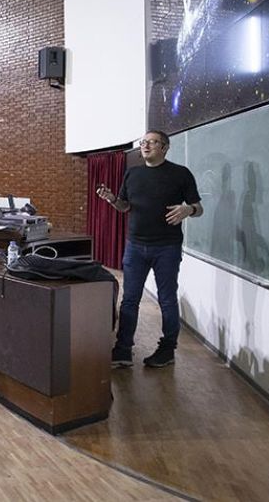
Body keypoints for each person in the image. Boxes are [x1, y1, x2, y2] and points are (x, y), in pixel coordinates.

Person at [97, 130, 203, 369]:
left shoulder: (180, 174)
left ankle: (167, 350)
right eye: (143, 142)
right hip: (135, 246)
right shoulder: (132, 174)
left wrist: (188, 210)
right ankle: (123, 350)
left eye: (152, 142)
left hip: (167, 247)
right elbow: (125, 207)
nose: (145, 146)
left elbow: (199, 207)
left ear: (165, 147)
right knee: (130, 300)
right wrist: (112, 199)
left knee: (166, 300)